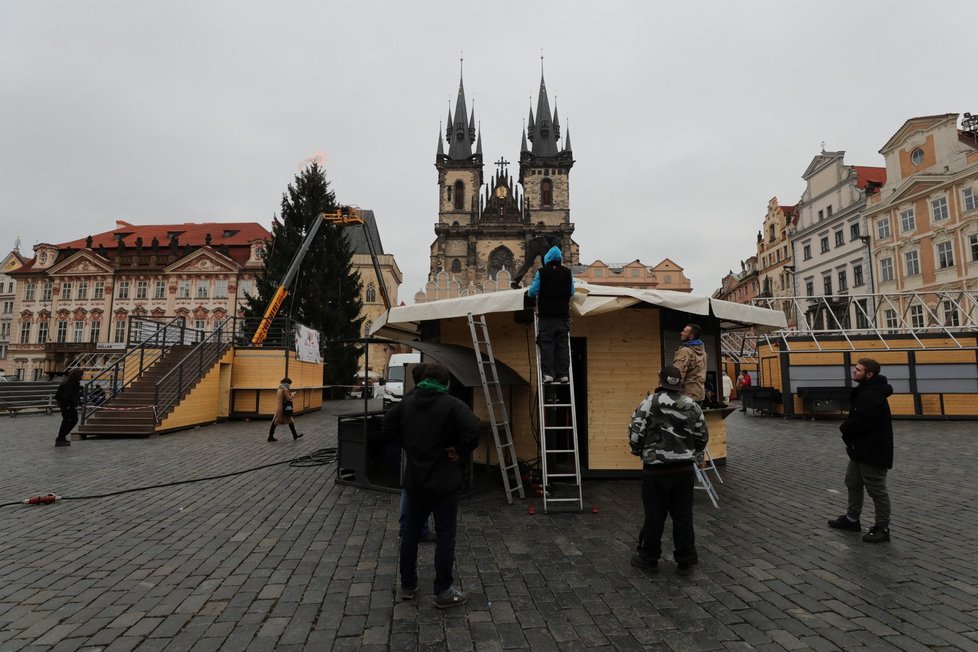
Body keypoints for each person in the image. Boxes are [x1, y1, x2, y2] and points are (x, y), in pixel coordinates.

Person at [382, 362, 479, 608]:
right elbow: (473, 431)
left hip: (415, 482)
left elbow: (387, 424)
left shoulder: (408, 403)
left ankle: (407, 585)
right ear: (446, 383)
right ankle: (444, 590)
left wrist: (408, 444)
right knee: (446, 535)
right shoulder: (452, 405)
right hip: (444, 483)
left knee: (411, 534)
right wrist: (459, 450)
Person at [628, 365, 709, 575]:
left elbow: (636, 433)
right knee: (683, 515)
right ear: (679, 382)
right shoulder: (691, 405)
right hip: (683, 471)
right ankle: (685, 560)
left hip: (655, 471)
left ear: (660, 379)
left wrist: (639, 452)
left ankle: (649, 557)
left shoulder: (648, 403)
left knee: (654, 515)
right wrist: (693, 453)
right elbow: (702, 436)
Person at [828, 358, 894, 543]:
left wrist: (846, 428)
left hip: (873, 450)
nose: (854, 372)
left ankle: (882, 528)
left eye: (858, 370)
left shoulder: (872, 395)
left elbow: (863, 421)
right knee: (852, 482)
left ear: (869, 374)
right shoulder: (865, 391)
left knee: (876, 489)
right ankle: (852, 519)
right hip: (859, 449)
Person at [527, 245, 574, 383]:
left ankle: (548, 374)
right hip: (562, 316)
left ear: (547, 258)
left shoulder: (542, 272)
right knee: (562, 345)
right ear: (559, 258)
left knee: (547, 344)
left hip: (546, 317)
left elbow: (532, 291)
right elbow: (572, 291)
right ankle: (563, 374)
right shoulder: (567, 272)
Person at [399, 363, 435, 544]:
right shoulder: (423, 397)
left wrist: (405, 442)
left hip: (412, 447)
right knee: (421, 491)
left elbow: (393, 423)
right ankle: (419, 529)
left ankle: (407, 526)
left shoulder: (408, 397)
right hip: (423, 450)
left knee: (409, 488)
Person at [673, 323, 706, 402]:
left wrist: (672, 393)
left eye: (684, 332)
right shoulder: (702, 351)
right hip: (699, 394)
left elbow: (678, 374)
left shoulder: (685, 351)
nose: (681, 333)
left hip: (686, 395)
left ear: (691, 337)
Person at [54, 368, 84, 447]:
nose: (82, 376)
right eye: (81, 375)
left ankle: (61, 437)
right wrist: (68, 404)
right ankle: (61, 438)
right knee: (70, 420)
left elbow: (59, 395)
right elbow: (68, 395)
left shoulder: (68, 382)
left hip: (66, 404)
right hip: (67, 405)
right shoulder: (72, 383)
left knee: (68, 420)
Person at [267, 377, 303, 442]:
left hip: (279, 408)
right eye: (289, 384)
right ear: (287, 383)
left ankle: (271, 436)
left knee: (277, 422)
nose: (290, 385)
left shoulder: (280, 388)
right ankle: (270, 437)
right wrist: (292, 395)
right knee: (285, 421)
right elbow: (288, 398)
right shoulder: (285, 389)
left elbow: (283, 397)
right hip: (284, 409)